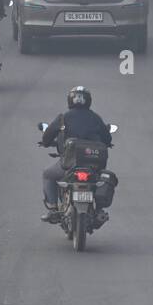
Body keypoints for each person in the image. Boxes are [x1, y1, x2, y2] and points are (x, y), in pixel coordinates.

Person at [38, 86, 115, 223]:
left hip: (70, 164)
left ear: (70, 100)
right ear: (88, 101)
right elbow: (107, 139)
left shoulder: (63, 118)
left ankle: (53, 209)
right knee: (104, 180)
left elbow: (48, 135)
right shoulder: (95, 118)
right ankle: (98, 211)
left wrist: (45, 142)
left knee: (48, 174)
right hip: (94, 166)